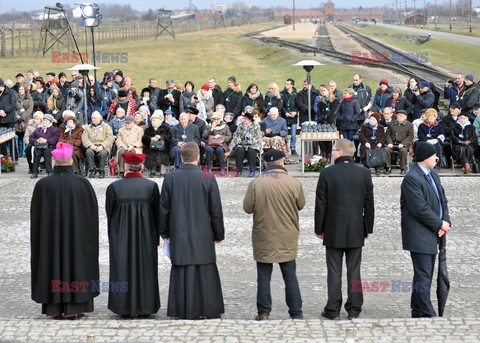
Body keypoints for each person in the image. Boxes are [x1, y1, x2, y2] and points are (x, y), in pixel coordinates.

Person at [31, 142, 99, 319]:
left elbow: (36, 220)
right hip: (77, 239)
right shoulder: (83, 184)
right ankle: (77, 305)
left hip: (50, 240)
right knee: (77, 264)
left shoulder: (42, 185)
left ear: (54, 162)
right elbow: (91, 218)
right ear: (71, 162)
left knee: (51, 262)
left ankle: (54, 307)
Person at [159, 142, 225, 319]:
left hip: (179, 232)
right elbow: (215, 210)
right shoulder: (208, 177)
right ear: (198, 157)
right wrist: (219, 234)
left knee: (182, 269)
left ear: (181, 157)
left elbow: (163, 208)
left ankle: (182, 308)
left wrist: (165, 233)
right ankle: (207, 308)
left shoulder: (170, 177)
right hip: (203, 232)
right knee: (204, 269)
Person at [315, 139, 374, 320]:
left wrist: (319, 228)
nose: (332, 153)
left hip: (333, 228)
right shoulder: (364, 173)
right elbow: (369, 204)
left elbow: (321, 204)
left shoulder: (327, 173)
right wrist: (367, 228)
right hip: (356, 228)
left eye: (333, 150)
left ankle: (333, 308)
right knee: (354, 270)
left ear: (339, 152)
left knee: (334, 270)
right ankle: (354, 308)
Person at [243, 149, 305, 321]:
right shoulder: (293, 182)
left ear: (265, 164)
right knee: (290, 275)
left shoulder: (257, 183)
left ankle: (263, 312)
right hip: (287, 234)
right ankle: (296, 312)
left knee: (263, 276)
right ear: (282, 162)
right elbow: (301, 204)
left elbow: (247, 208)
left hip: (264, 234)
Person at [105, 152, 161, 318]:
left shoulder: (114, 187)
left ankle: (122, 305)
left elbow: (110, 213)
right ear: (141, 166)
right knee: (145, 267)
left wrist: (113, 236)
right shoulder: (151, 187)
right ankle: (146, 304)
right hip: (146, 235)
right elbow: (157, 213)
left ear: (127, 167)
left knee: (122, 266)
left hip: (121, 235)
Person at [401, 142, 451, 318]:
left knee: (424, 273)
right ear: (424, 158)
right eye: (434, 155)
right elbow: (419, 208)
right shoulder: (412, 178)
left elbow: (443, 200)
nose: (437, 158)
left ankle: (417, 308)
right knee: (424, 274)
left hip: (433, 231)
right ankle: (427, 312)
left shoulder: (433, 174)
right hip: (419, 233)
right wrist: (439, 224)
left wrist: (446, 221)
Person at [227, 112, 262, 177]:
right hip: (242, 144)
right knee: (239, 150)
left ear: (250, 120)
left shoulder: (256, 126)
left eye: (245, 119)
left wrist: (248, 142)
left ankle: (252, 171)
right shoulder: (240, 126)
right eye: (243, 118)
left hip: (253, 144)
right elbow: (236, 136)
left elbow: (257, 138)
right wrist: (240, 141)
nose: (244, 120)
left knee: (252, 151)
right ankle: (239, 170)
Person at [82, 111, 115, 178]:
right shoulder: (88, 127)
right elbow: (84, 138)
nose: (92, 119)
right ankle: (92, 170)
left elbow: (110, 138)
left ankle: (101, 170)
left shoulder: (106, 126)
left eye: (94, 118)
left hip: (103, 146)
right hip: (92, 146)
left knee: (102, 153)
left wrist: (102, 146)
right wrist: (91, 146)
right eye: (92, 118)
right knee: (88, 152)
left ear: (100, 118)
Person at [142, 110, 171, 177]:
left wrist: (160, 137)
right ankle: (153, 169)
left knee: (161, 153)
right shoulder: (148, 130)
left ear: (159, 121)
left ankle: (162, 170)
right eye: (152, 120)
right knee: (152, 152)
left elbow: (169, 138)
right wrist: (150, 138)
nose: (152, 122)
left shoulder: (165, 128)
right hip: (150, 147)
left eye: (154, 120)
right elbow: (143, 139)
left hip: (163, 147)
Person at [29, 114, 59, 178]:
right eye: (44, 120)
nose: (44, 122)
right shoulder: (38, 129)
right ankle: (34, 172)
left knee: (46, 152)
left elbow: (55, 139)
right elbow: (31, 137)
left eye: (46, 120)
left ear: (50, 122)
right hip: (39, 146)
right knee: (37, 152)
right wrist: (37, 140)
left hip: (49, 146)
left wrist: (46, 140)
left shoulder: (54, 129)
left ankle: (49, 171)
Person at [385, 110, 414, 175]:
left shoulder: (409, 125)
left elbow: (410, 136)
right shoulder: (391, 123)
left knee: (403, 151)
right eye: (398, 115)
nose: (399, 117)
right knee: (386, 149)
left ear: (405, 117)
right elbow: (387, 134)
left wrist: (403, 144)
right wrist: (389, 142)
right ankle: (388, 167)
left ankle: (403, 168)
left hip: (402, 144)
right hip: (392, 143)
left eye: (401, 116)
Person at [280, 78, 299, 155]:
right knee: (284, 134)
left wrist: (295, 112)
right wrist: (285, 112)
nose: (286, 85)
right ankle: (285, 149)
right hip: (285, 117)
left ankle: (293, 148)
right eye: (286, 83)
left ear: (292, 85)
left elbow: (297, 105)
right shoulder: (282, 93)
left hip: (293, 117)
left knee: (293, 135)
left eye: (288, 84)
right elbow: (281, 105)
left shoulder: (296, 94)